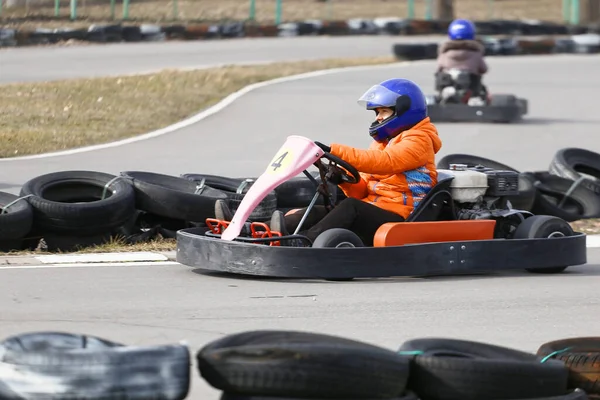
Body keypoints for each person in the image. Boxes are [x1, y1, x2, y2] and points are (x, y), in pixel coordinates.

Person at [215, 78, 442, 247]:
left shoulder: (419, 139)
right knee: (322, 211)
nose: (378, 118)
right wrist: (342, 179)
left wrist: (335, 151)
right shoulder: (384, 142)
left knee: (349, 208)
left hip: (402, 214)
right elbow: (362, 190)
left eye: (383, 111)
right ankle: (253, 230)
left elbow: (385, 163)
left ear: (404, 111)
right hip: (377, 207)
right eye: (377, 113)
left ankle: (303, 243)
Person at [436, 19, 488, 96]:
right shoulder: (476, 52)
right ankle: (473, 98)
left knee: (442, 76)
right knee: (480, 87)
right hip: (471, 89)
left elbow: (438, 69)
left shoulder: (445, 52)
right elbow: (483, 69)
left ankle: (447, 96)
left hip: (448, 85)